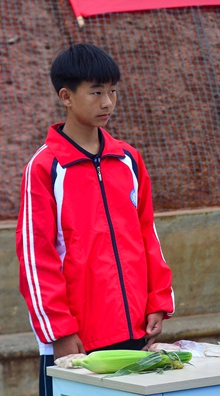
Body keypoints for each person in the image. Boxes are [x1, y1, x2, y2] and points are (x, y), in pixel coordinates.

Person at [16, 44, 174, 396]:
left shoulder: (129, 160)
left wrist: (158, 300)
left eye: (113, 91)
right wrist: (60, 331)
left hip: (135, 330)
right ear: (66, 96)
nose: (108, 103)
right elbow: (35, 257)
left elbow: (147, 233)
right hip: (77, 340)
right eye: (96, 92)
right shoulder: (44, 168)